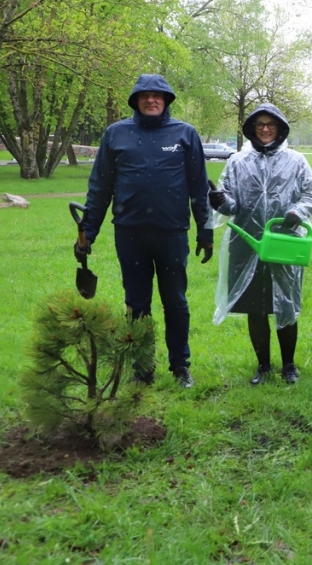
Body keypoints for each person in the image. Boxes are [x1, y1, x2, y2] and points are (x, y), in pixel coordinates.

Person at [75, 74, 213, 388]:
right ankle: (143, 369)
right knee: (137, 304)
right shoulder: (116, 134)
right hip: (130, 234)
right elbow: (100, 188)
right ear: (136, 100)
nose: (151, 100)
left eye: (158, 96)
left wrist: (205, 231)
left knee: (176, 302)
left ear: (166, 100)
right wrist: (88, 232)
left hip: (172, 234)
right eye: (145, 95)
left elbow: (198, 187)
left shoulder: (184, 134)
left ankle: (180, 367)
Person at [209, 104, 312, 385]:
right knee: (256, 307)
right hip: (247, 244)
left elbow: (311, 196)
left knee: (286, 304)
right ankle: (263, 365)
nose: (266, 128)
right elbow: (232, 203)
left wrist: (297, 213)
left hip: (284, 241)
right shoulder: (237, 162)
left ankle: (289, 364)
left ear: (281, 128)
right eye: (260, 124)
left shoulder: (296, 161)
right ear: (252, 129)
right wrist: (221, 202)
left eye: (271, 124)